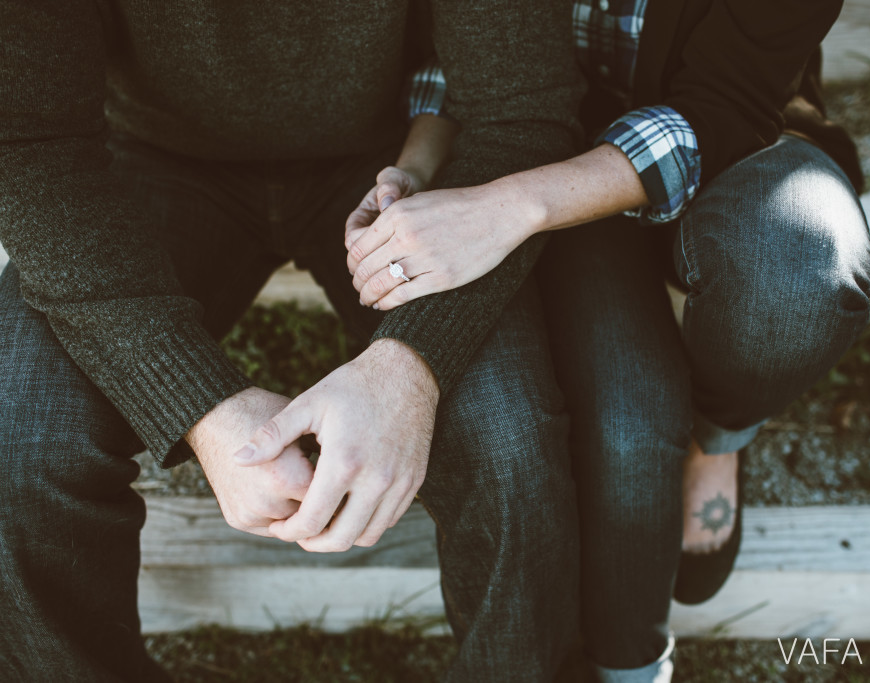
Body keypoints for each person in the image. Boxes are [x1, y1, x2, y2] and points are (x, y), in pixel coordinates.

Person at [0, 1, 586, 681]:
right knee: (20, 439)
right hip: (150, 157)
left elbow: (523, 111)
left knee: (513, 439)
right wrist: (201, 407)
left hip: (392, 163)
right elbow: (28, 140)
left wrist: (411, 364)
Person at [344, 0, 870, 679]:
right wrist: (417, 168)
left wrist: (506, 207)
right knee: (627, 415)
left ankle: (716, 436)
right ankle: (631, 664)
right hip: (546, 148)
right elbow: (457, 46)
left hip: (738, 131)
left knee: (798, 266)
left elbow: (729, 103)